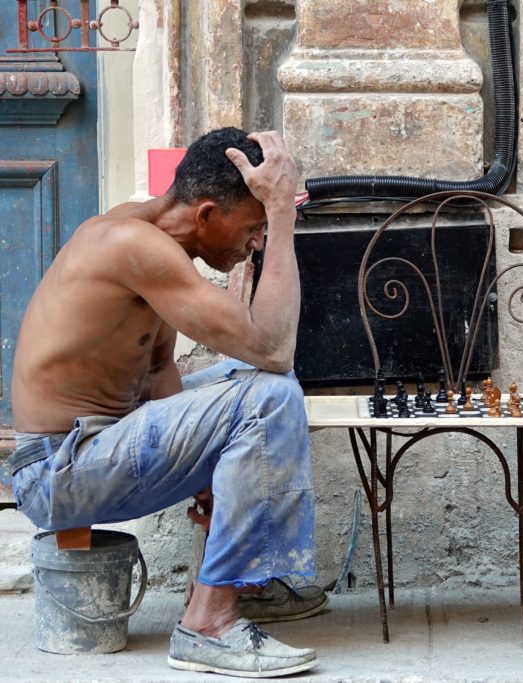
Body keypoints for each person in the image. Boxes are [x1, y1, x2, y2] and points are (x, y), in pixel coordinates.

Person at [8, 128, 324, 678]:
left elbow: (158, 371)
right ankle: (210, 625)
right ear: (206, 215)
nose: (256, 242)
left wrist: (205, 472)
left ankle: (239, 580)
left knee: (248, 381)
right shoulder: (130, 244)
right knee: (268, 393)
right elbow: (274, 347)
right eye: (251, 229)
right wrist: (280, 212)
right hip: (59, 469)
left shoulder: (155, 237)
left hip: (96, 445)